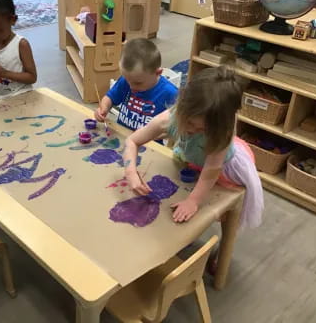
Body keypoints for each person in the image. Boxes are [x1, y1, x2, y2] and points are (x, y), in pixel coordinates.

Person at [122, 66, 264, 229]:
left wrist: (193, 200)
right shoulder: (169, 118)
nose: (191, 130)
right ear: (182, 107)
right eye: (189, 123)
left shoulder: (221, 133)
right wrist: (130, 172)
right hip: (193, 157)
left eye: (202, 130)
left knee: (222, 209)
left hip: (224, 169)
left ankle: (225, 237)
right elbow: (132, 141)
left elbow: (212, 170)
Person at [94, 38, 178, 135]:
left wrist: (162, 134)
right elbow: (109, 98)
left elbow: (178, 129)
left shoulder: (171, 94)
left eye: (138, 83)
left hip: (148, 145)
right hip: (122, 136)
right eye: (127, 80)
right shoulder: (129, 81)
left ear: (157, 73)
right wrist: (103, 109)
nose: (131, 87)